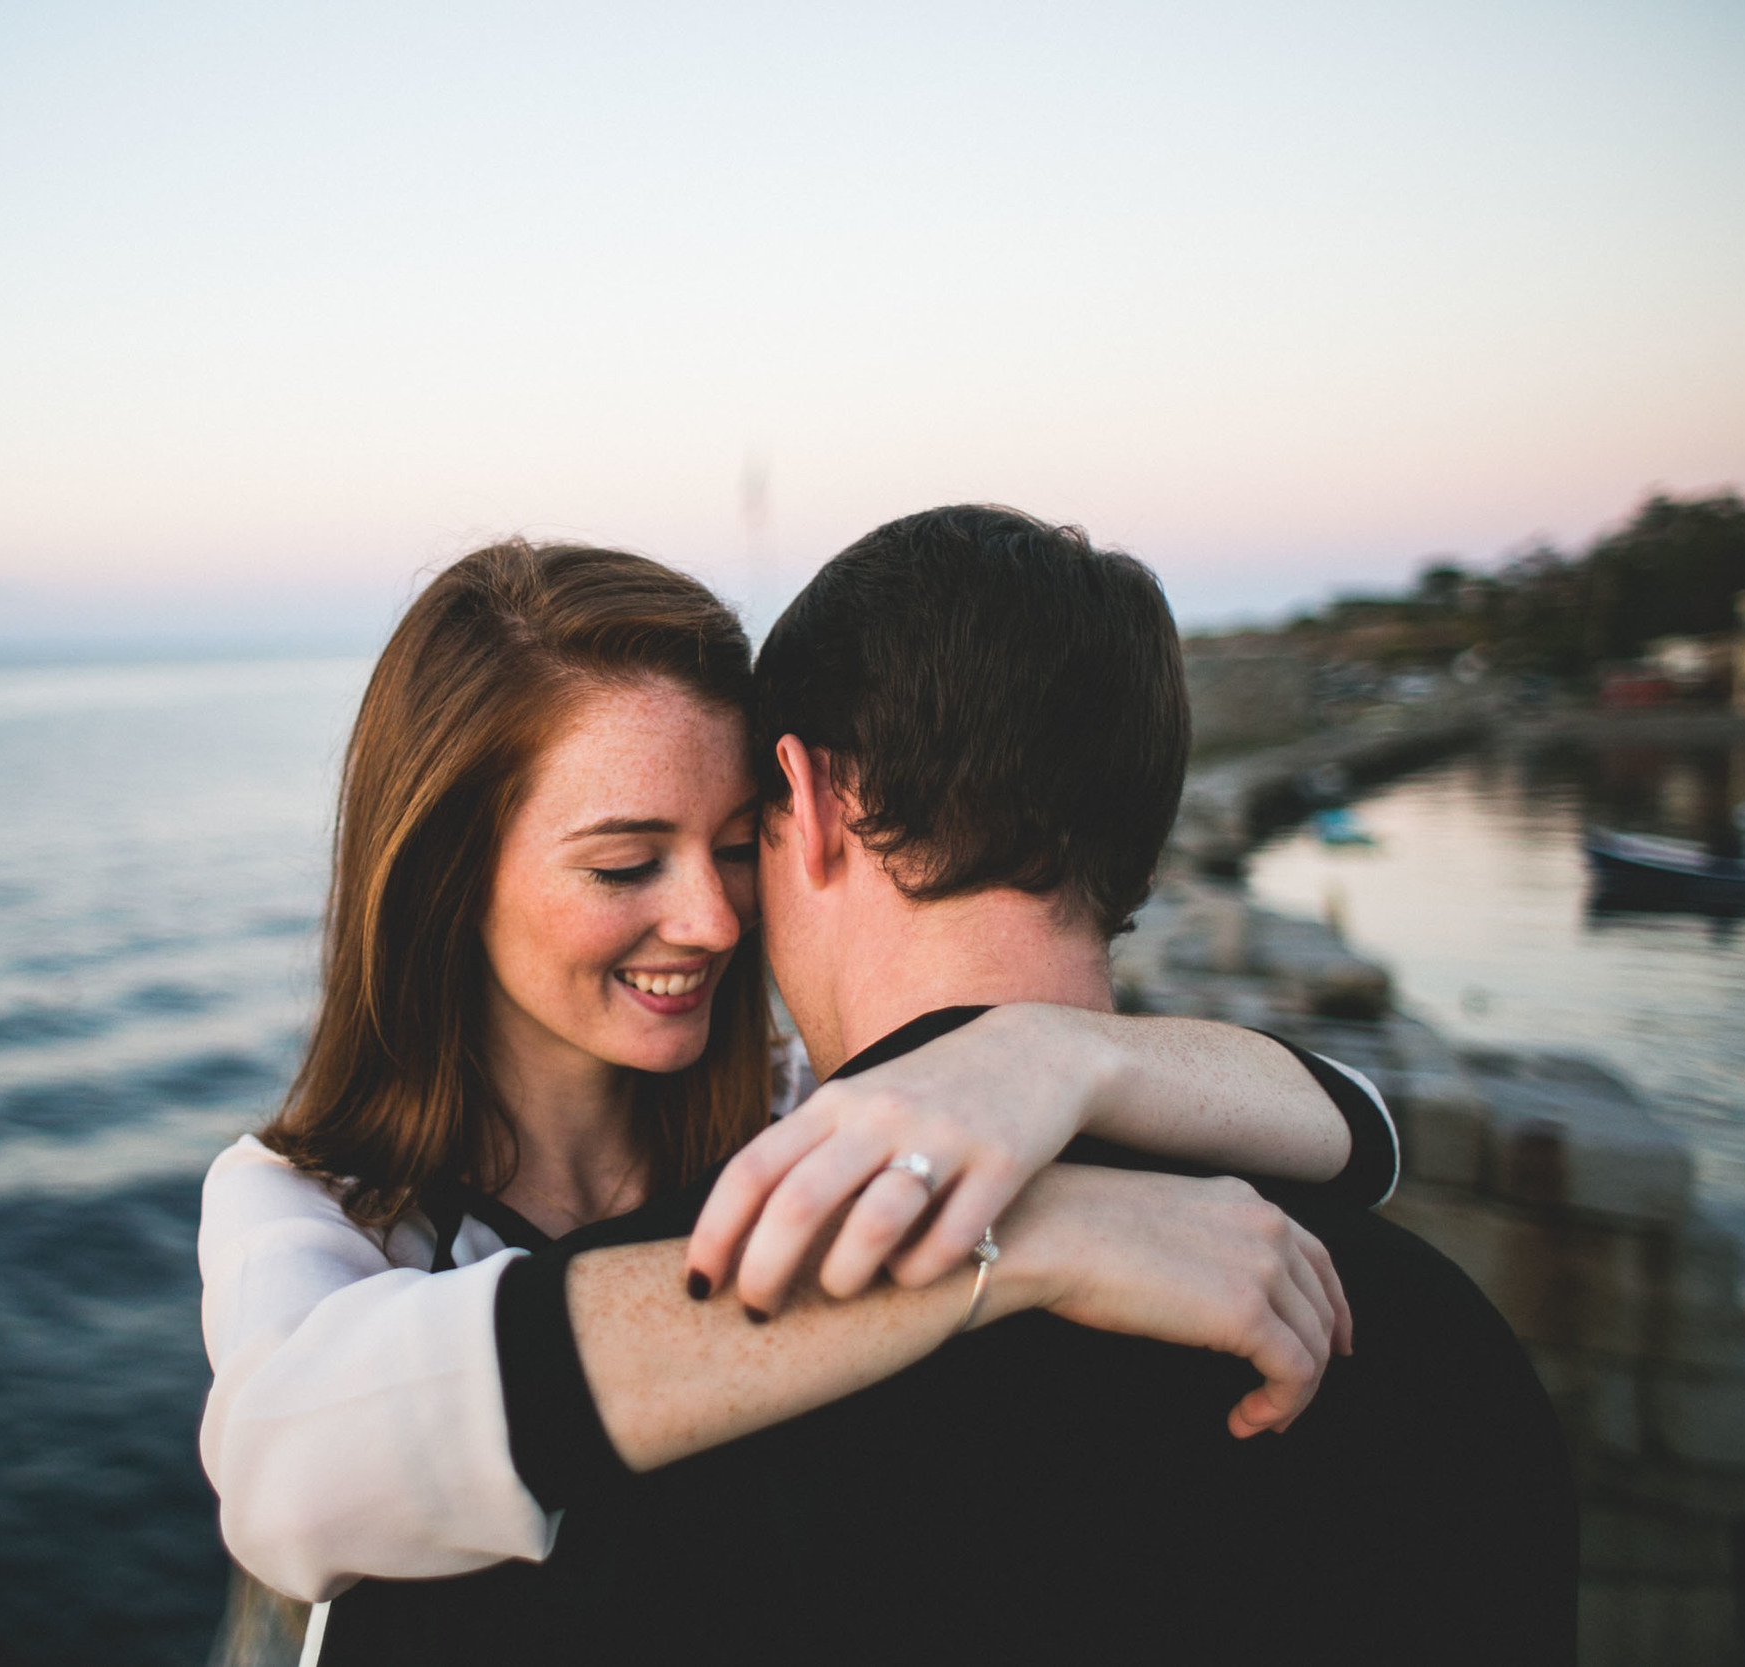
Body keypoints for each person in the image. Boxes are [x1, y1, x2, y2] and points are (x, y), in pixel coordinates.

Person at [197, 540, 1403, 1660]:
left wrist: (1057, 1055)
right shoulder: (317, 1201)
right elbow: (284, 1478)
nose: (716, 920)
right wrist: (1016, 1243)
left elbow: (1359, 1129)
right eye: (626, 863)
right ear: (447, 872)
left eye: (737, 844)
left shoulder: (811, 1107)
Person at [438, 506, 1579, 1665]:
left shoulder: (631, 1364)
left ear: (813, 798)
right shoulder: (1444, 1344)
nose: (719, 914)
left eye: (745, 837)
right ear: (1138, 830)